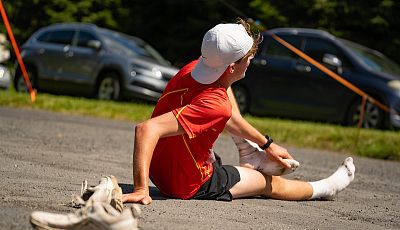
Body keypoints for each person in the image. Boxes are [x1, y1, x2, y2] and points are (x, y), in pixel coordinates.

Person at [122, 18, 355, 205]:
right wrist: (141, 189)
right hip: (186, 183)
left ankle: (249, 152)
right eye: (249, 58)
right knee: (266, 183)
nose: (252, 61)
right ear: (232, 66)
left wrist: (266, 144)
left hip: (161, 169)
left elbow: (221, 107)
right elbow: (146, 129)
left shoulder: (194, 68)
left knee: (222, 94)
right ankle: (326, 188)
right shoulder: (217, 104)